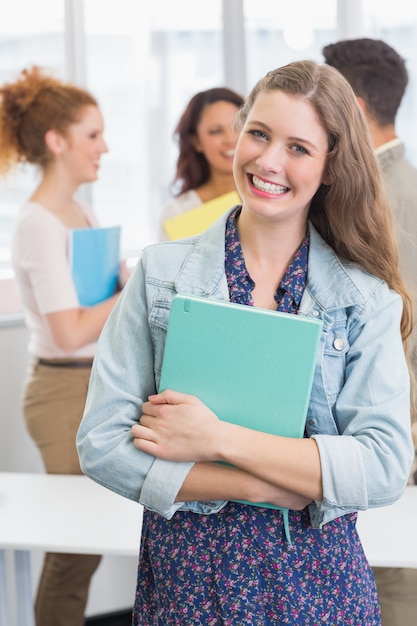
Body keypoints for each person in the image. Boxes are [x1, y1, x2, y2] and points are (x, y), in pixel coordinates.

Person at [77, 60, 415, 625]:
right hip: (188, 585)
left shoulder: (365, 298)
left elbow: (382, 467)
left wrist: (215, 437)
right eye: (258, 134)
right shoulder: (159, 274)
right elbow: (102, 444)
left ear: (330, 167)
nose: (268, 161)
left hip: (319, 590)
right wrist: (267, 484)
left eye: (299, 148)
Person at [0, 66, 128, 626]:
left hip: (92, 384)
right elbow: (71, 330)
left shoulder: (81, 211)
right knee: (75, 549)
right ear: (58, 142)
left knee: (88, 541)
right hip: (59, 392)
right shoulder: (36, 223)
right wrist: (129, 293)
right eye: (93, 135)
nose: (105, 147)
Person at [323, 38, 417, 626]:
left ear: (352, 109)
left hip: (387, 425)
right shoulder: (399, 182)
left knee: (391, 574)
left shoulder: (378, 198)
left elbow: (391, 329)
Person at [159, 86, 244, 240]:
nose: (230, 139)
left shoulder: (272, 197)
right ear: (197, 141)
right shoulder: (178, 213)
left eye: (237, 126)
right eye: (215, 131)